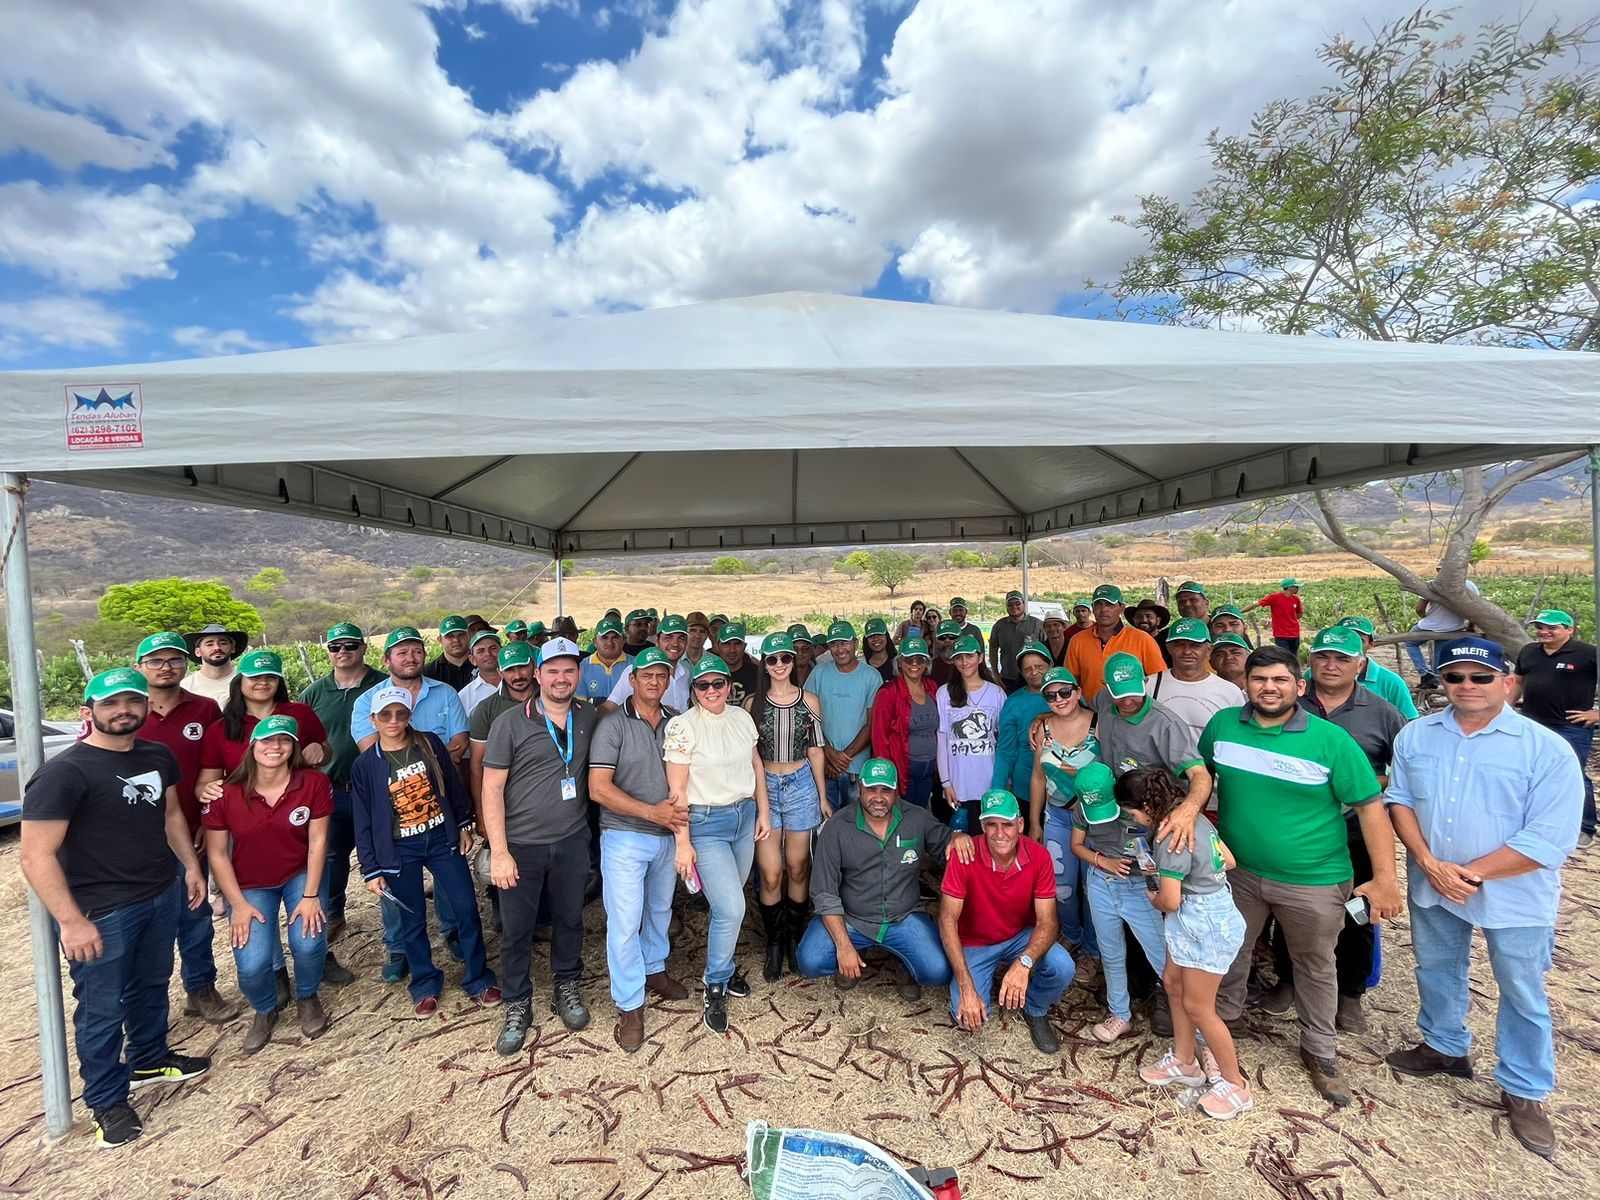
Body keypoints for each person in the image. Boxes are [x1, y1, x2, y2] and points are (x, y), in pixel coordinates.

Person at [1384, 637, 1583, 1159]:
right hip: (1434, 879)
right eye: (1454, 677)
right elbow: (1400, 800)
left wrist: (1469, 874)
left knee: (1520, 989)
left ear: (1508, 683)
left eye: (1480, 677)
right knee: (1436, 966)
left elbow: (1549, 839)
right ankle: (1445, 1046)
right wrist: (1427, 862)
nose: (1466, 686)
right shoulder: (1416, 736)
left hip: (1514, 894)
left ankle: (1524, 1088)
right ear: (1441, 684)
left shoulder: (1546, 749)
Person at [1201, 645, 1404, 1107]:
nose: (1268, 688)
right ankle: (1223, 1027)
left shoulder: (1330, 741)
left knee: (1315, 964)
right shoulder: (1223, 728)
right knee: (1231, 954)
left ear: (1299, 686)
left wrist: (1386, 878)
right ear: (1245, 685)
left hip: (1312, 878)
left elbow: (1372, 810)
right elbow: (1200, 776)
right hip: (1241, 872)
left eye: (1279, 680)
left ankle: (1320, 1050)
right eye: (1259, 680)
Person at [20, 668, 210, 1149]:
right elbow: (35, 855)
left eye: (132, 701)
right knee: (102, 1008)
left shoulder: (157, 755)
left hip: (158, 892)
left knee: (151, 984)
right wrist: (71, 920)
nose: (123, 710)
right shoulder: (66, 773)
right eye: (110, 704)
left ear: (145, 707)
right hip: (101, 909)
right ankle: (106, 1100)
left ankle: (148, 1058)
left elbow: (170, 815)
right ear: (88, 713)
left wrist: (189, 867)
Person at [1264, 626, 1407, 1033]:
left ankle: (1350, 993)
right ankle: (1288, 981)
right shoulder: (1288, 702)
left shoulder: (1381, 712)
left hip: (1354, 835)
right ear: (1309, 663)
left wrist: (1366, 784)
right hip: (1296, 832)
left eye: (1342, 658)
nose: (1331, 665)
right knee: (1289, 910)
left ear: (1361, 664)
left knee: (1357, 914)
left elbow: (1405, 772)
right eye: (1323, 656)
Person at [351, 687, 499, 1018]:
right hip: (399, 848)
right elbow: (363, 819)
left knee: (466, 908)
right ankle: (424, 983)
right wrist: (370, 868)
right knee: (412, 918)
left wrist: (462, 824)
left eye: (400, 713)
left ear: (409, 716)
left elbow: (452, 785)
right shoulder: (366, 765)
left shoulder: (429, 744)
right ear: (373, 719)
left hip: (441, 839)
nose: (393, 721)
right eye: (385, 715)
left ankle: (478, 978)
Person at [482, 638, 599, 1051]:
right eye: (552, 671)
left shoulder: (589, 717)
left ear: (578, 675)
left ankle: (566, 986)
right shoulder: (509, 723)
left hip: (571, 840)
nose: (561, 678)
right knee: (516, 931)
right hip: (522, 845)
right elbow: (492, 788)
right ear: (537, 675)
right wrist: (499, 851)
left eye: (569, 670)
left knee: (569, 919)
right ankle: (517, 1002)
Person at [1125, 768, 1253, 1121]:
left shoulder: (1169, 838)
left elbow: (1170, 901)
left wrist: (1152, 893)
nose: (1133, 820)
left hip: (1202, 921)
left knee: (1200, 1007)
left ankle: (1236, 1085)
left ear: (1148, 807)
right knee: (1173, 983)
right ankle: (1185, 1061)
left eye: (1133, 813)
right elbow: (1228, 860)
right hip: (1203, 912)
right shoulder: (1194, 819)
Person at [204, 715, 332, 1053]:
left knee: (308, 940)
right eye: (267, 740)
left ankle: (307, 995)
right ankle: (264, 1007)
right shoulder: (225, 793)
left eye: (285, 741)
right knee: (251, 961)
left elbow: (318, 842)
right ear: (252, 747)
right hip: (248, 883)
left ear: (294, 748)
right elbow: (217, 854)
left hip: (298, 873)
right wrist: (238, 905)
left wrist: (310, 894)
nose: (276, 747)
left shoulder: (313, 784)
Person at [797, 758, 974, 997]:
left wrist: (958, 835)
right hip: (852, 918)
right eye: (871, 789)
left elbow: (948, 847)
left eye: (886, 790)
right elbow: (824, 892)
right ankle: (850, 957)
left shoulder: (917, 818)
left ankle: (902, 959)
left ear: (896, 791)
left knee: (938, 971)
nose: (878, 797)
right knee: (810, 961)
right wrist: (843, 946)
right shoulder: (837, 827)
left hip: (904, 916)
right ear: (860, 789)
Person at [353, 626, 473, 977]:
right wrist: (430, 754)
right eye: (401, 652)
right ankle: (398, 947)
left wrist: (431, 755)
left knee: (452, 884)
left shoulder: (445, 693)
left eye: (416, 650)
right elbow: (372, 754)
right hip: (392, 813)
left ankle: (452, 933)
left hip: (440, 804)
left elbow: (458, 742)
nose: (410, 657)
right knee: (398, 888)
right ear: (386, 659)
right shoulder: (367, 701)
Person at [589, 648, 690, 1052]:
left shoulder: (676, 724)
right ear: (632, 680)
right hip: (625, 835)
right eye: (645, 676)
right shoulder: (613, 725)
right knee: (625, 919)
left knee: (659, 910)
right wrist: (651, 813)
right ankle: (629, 1002)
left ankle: (654, 969)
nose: (653, 682)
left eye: (660, 676)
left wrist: (674, 824)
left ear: (669, 681)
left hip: (668, 835)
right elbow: (599, 789)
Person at [131, 632, 234, 1024]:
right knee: (145, 921)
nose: (165, 667)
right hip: (138, 836)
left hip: (193, 827)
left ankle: (201, 987)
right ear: (139, 666)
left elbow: (220, 767)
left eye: (173, 659)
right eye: (155, 660)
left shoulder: (205, 709)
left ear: (185, 663)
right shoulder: (128, 711)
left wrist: (212, 822)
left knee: (194, 914)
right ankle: (142, 1005)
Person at [664, 655, 770, 1033]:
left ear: (729, 685)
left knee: (729, 906)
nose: (712, 691)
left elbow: (756, 765)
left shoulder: (742, 717)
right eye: (703, 685)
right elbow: (676, 792)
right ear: (693, 690)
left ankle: (723, 966)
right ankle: (715, 982)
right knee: (731, 906)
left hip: (743, 818)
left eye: (718, 684)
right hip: (705, 823)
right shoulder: (682, 727)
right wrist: (683, 842)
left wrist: (763, 811)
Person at [939, 788, 1072, 1054]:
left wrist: (1024, 964)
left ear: (1020, 824)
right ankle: (985, 984)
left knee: (1063, 967)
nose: (1000, 834)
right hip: (976, 942)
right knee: (967, 1019)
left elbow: (1048, 923)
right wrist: (965, 986)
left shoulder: (1039, 856)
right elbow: (947, 920)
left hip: (1018, 935)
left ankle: (1035, 1007)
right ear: (982, 826)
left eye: (1007, 824)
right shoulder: (964, 854)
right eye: (991, 825)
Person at [744, 632, 829, 982]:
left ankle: (795, 939)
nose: (780, 665)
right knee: (770, 872)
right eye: (772, 659)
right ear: (763, 664)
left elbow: (816, 750)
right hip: (766, 787)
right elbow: (751, 756)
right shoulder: (752, 704)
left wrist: (822, 796)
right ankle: (774, 944)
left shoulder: (810, 701)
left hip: (800, 783)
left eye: (785, 658)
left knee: (797, 866)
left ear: (794, 662)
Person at [298, 623, 386, 952]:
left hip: (376, 787)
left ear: (363, 648)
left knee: (380, 852)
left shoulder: (382, 684)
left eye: (350, 645)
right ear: (328, 652)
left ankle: (393, 921)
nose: (343, 652)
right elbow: (303, 740)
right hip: (332, 788)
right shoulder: (314, 693)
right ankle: (334, 912)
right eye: (336, 647)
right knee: (332, 855)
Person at [1070, 762, 1167, 1044]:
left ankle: (1187, 1013)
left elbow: (1154, 855)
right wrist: (1103, 862)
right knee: (1111, 953)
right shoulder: (1084, 809)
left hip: (1139, 887)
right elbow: (1076, 846)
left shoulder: (1137, 811)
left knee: (1160, 952)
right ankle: (1119, 1014)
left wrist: (1154, 889)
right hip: (1102, 882)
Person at [1027, 667, 1101, 981]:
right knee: (1062, 887)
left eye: (1065, 692)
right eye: (1051, 695)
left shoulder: (1100, 724)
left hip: (1095, 820)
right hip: (1056, 816)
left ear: (1078, 691)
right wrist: (1034, 822)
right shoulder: (1043, 730)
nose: (1059, 699)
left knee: (1094, 889)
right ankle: (1070, 933)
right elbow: (1037, 777)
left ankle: (1093, 950)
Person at [196, 651, 329, 804]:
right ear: (239, 681)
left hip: (299, 807)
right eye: (254, 677)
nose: (263, 682)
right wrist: (208, 790)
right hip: (242, 809)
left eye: (271, 677)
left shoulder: (301, 713)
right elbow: (204, 783)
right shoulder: (219, 729)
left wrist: (320, 749)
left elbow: (327, 753)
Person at [1512, 609, 1598, 848]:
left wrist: (1597, 714)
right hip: (1533, 723)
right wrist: (1504, 710)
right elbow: (1518, 682)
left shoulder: (1588, 654)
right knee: (1527, 772)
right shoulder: (1529, 652)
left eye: (1552, 627)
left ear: (1569, 630)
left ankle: (1585, 827)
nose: (1544, 631)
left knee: (1575, 775)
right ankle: (1535, 820)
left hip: (1571, 726)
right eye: (1540, 627)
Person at [806, 621, 884, 814]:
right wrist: (830, 754)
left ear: (856, 644)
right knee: (827, 825)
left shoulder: (871, 676)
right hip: (824, 767)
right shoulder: (819, 673)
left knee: (857, 826)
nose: (840, 649)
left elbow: (872, 724)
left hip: (857, 769)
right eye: (834, 644)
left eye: (845, 643)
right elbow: (807, 718)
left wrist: (843, 757)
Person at [937, 635, 1007, 831]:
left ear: (980, 657)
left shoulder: (996, 693)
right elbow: (942, 740)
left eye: (969, 656)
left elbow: (1003, 741)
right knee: (961, 840)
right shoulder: (945, 693)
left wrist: (1003, 781)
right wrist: (946, 783)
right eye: (959, 657)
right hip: (959, 783)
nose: (964, 662)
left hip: (989, 781)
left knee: (988, 836)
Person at [869, 634, 939, 811]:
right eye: (909, 659)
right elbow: (879, 736)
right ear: (900, 662)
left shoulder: (932, 687)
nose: (914, 664)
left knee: (920, 816)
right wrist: (886, 774)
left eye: (919, 659)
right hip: (902, 770)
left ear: (926, 662)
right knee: (901, 818)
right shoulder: (888, 692)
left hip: (929, 769)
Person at [1065, 584, 1167, 701]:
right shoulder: (1077, 640)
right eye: (1099, 604)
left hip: (1130, 713)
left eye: (1110, 604)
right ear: (1093, 608)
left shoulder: (1142, 639)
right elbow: (1070, 680)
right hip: (1091, 713)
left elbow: (1159, 679)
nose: (1104, 609)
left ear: (1121, 608)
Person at [1150, 619, 1245, 740]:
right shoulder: (1150, 685)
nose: (1187, 651)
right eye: (1179, 645)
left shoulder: (1230, 691)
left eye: (1195, 645)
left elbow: (1237, 737)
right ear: (1168, 648)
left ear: (1208, 650)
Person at [993, 640, 1053, 801]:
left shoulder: (1068, 695)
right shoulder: (1014, 703)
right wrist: (998, 791)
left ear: (1050, 665)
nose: (1034, 672)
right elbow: (1005, 752)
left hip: (1066, 793)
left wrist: (1046, 716)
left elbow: (1084, 719)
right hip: (1026, 790)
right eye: (1027, 669)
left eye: (1039, 666)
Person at [1334, 616, 1421, 719]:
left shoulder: (1391, 682)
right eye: (1344, 638)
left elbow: (1409, 722)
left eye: (1360, 640)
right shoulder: (1318, 675)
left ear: (1371, 644)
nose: (1352, 644)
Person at [605, 614, 692, 713]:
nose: (675, 643)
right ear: (657, 641)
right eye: (668, 638)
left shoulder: (686, 673)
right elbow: (611, 706)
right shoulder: (636, 670)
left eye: (681, 638)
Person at [1405, 577, 1480, 686]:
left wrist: (1426, 617)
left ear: (1438, 570)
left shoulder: (1432, 584)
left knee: (1410, 642)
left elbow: (1419, 609)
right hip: (1455, 627)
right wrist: (1470, 627)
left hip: (1430, 626)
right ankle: (1437, 679)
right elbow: (1475, 610)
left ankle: (1425, 674)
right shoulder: (1469, 585)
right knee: (1439, 652)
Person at [989, 591, 1044, 694]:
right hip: (1007, 678)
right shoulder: (999, 625)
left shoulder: (1037, 624)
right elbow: (993, 649)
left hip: (1033, 677)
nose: (1014, 606)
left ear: (1024, 604)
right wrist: (995, 673)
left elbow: (1047, 651)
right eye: (1010, 604)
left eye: (1017, 603)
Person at [181, 624, 248, 706]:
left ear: (233, 648)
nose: (217, 648)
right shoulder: (186, 687)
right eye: (209, 644)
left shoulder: (247, 680)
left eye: (223, 643)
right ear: (197, 652)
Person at [580, 617, 632, 703]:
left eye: (615, 637)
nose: (610, 642)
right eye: (604, 638)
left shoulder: (635, 666)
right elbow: (579, 702)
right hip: (592, 715)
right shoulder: (581, 667)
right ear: (595, 642)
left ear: (623, 640)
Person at [711, 621, 761, 706]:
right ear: (717, 647)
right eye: (727, 644)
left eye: (737, 644)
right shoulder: (709, 675)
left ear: (744, 646)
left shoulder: (757, 673)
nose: (732, 650)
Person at [1249, 579, 1304, 656]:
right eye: (1296, 586)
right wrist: (1240, 612)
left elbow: (1299, 614)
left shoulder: (1296, 599)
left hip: (1294, 633)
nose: (1298, 588)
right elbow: (1256, 604)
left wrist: (1288, 618)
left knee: (1293, 657)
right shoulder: (1274, 597)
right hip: (1281, 634)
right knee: (1283, 657)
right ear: (1289, 587)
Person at [456, 629, 504, 716]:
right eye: (481, 651)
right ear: (472, 659)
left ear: (503, 652)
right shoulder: (465, 696)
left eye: (493, 648)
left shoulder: (518, 681)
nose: (488, 654)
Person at [424, 616, 476, 692]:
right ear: (440, 640)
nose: (456, 640)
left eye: (461, 635)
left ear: (469, 636)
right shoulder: (428, 673)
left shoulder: (482, 666)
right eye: (450, 636)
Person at [862, 618, 899, 683]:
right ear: (866, 640)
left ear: (886, 636)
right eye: (871, 636)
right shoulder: (862, 664)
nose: (876, 639)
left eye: (879, 634)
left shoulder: (898, 662)